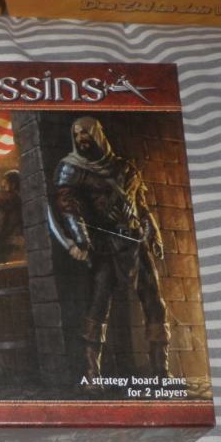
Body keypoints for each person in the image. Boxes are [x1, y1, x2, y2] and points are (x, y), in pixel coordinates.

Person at [51, 116, 171, 380]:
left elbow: (141, 206)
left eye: (85, 133)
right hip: (105, 246)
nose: (81, 138)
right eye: (77, 134)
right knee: (98, 306)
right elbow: (68, 207)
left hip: (136, 243)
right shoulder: (71, 169)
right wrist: (82, 240)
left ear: (97, 134)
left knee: (155, 303)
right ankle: (92, 374)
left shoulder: (125, 168)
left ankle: (161, 370)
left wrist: (155, 235)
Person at [0, 169, 25, 263]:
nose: (2, 187)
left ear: (13, 185)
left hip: (5, 240)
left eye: (5, 185)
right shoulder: (7, 199)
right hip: (1, 239)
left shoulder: (8, 199)